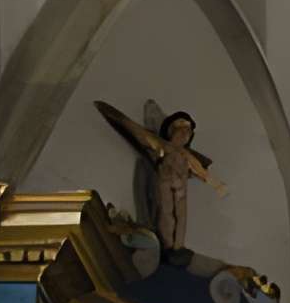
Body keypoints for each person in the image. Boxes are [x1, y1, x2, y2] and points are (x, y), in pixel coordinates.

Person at [93, 99, 227, 259]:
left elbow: (200, 170)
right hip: (165, 186)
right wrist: (116, 116)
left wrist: (217, 185)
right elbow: (136, 131)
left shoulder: (187, 156)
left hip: (181, 190)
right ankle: (168, 247)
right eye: (181, 128)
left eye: (188, 131)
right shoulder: (162, 145)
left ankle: (177, 249)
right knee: (167, 216)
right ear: (172, 130)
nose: (185, 133)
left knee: (181, 218)